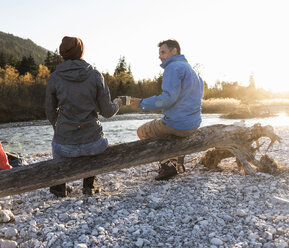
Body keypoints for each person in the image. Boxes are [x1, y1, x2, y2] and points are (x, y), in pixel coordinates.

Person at [45, 36, 122, 197]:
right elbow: (107, 112)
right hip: (94, 145)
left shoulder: (55, 77)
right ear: (81, 51)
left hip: (64, 147)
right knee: (95, 140)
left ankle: (60, 185)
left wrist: (59, 128)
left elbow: (50, 111)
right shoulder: (95, 75)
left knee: (55, 142)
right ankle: (89, 183)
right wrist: (118, 103)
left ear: (62, 54)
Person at [130, 39, 204, 180]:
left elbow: (167, 98)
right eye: (159, 53)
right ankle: (175, 158)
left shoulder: (173, 67)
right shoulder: (193, 71)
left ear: (174, 51)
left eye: (163, 52)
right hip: (194, 124)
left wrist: (142, 103)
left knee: (142, 131)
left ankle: (167, 165)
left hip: (177, 124)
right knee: (166, 128)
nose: (160, 56)